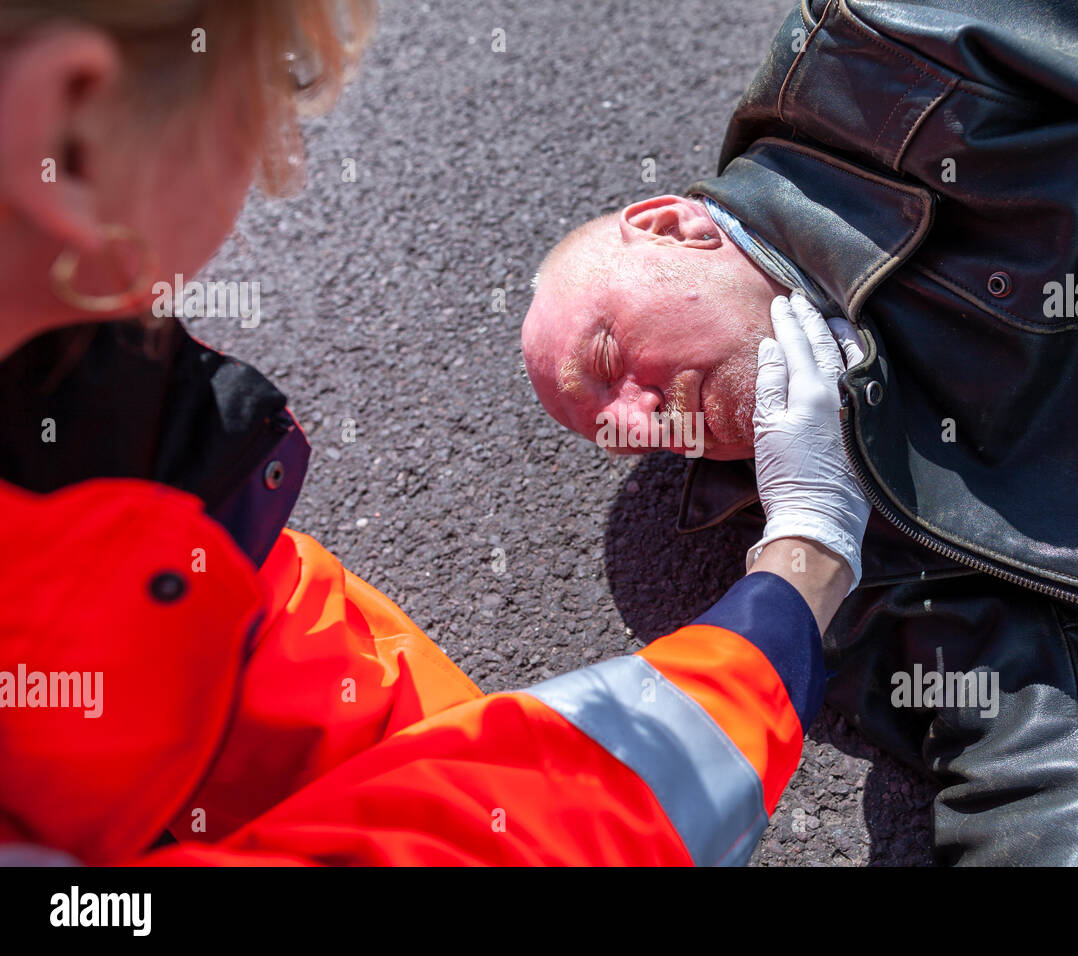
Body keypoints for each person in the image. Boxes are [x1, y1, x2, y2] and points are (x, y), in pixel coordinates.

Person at [0, 1, 869, 866]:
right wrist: (801, 568)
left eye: (282, 88)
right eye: (265, 92)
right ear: (72, 135)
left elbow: (317, 698)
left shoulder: (122, 485)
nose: (280, 168)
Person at [522, 0, 1078, 865]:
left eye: (609, 355)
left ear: (673, 225)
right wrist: (818, 545)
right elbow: (1040, 759)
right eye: (620, 436)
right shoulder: (843, 543)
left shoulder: (884, 53)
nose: (642, 416)